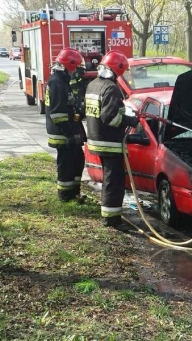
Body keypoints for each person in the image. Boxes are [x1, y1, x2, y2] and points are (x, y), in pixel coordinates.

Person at [85, 51, 139, 228]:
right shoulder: (111, 88)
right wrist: (129, 120)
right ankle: (111, 220)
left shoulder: (93, 85)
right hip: (109, 143)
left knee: (110, 180)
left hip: (97, 139)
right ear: (118, 69)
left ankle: (110, 216)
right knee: (113, 182)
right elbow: (110, 117)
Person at [46, 48, 87, 202]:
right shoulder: (57, 82)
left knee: (77, 160)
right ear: (68, 66)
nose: (76, 70)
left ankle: (74, 192)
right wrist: (69, 134)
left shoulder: (62, 80)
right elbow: (57, 113)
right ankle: (65, 196)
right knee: (66, 164)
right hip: (62, 133)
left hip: (69, 130)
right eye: (75, 67)